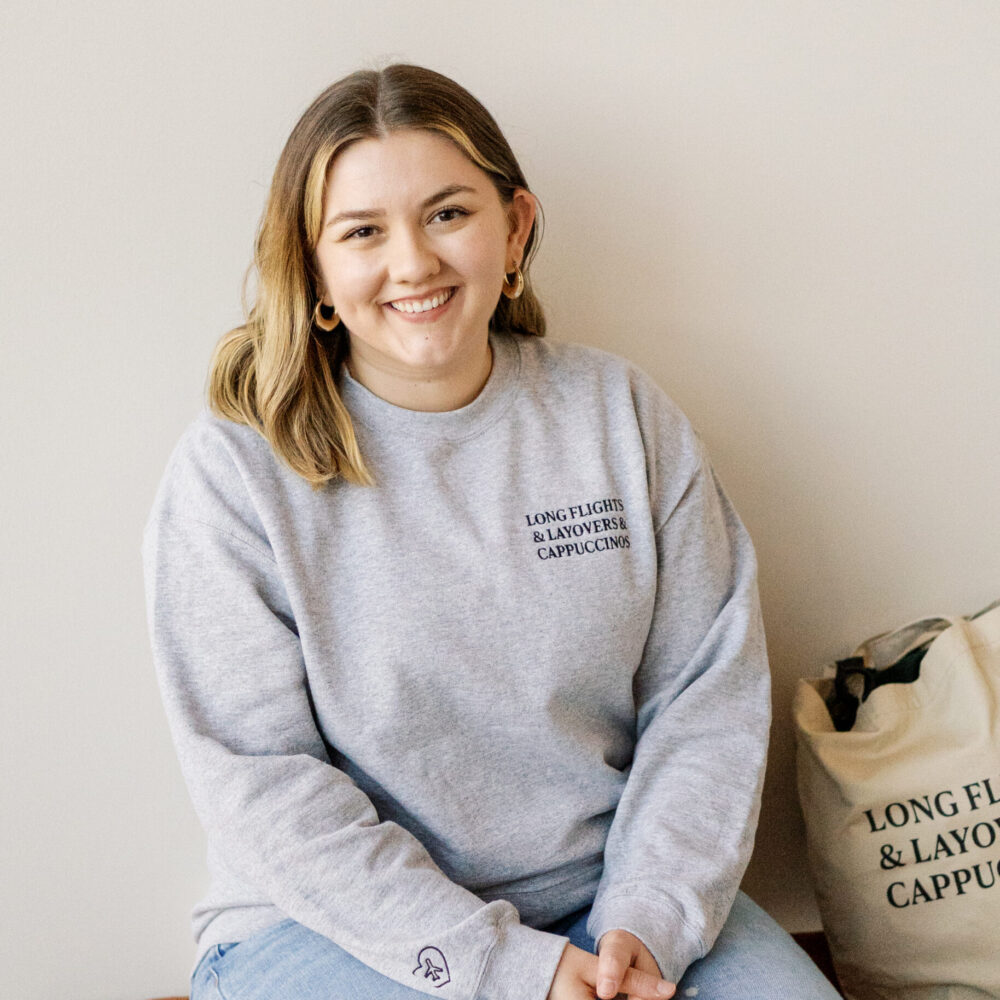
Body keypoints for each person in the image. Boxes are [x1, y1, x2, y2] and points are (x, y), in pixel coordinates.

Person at [142, 64, 840, 1000]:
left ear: (514, 229)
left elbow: (704, 697)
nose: (412, 264)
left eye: (447, 214)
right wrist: (507, 969)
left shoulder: (619, 414)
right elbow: (263, 784)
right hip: (331, 928)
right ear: (313, 268)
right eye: (362, 232)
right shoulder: (232, 473)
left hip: (607, 899)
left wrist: (650, 916)